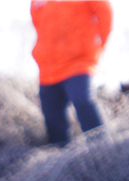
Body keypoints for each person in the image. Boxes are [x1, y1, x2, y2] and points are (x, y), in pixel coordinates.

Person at [31, 1, 112, 145]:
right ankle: (60, 158)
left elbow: (105, 13)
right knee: (52, 116)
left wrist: (97, 46)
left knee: (82, 100)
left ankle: (101, 148)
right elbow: (37, 21)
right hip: (48, 69)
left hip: (78, 64)